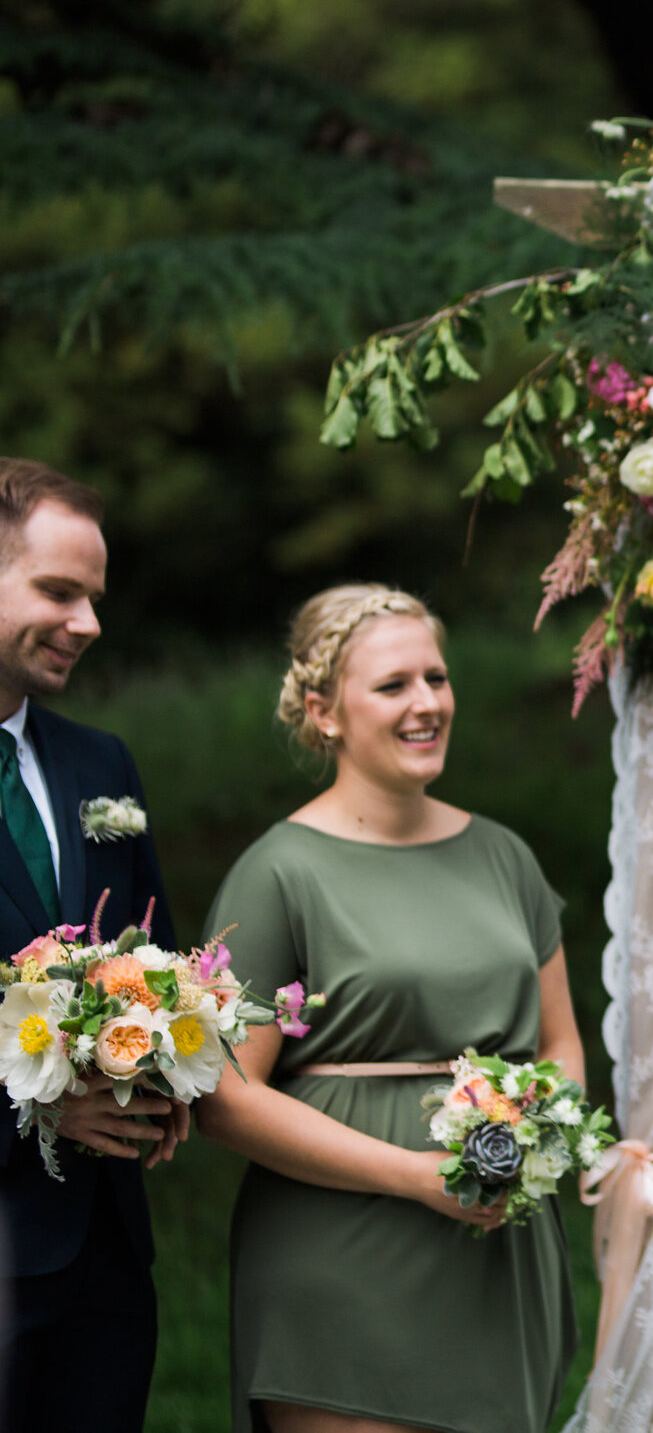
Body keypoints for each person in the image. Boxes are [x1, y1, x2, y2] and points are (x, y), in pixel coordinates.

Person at [196, 584, 584, 1433]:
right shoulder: (276, 874)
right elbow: (225, 1095)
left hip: (498, 1250)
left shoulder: (504, 856)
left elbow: (559, 1041)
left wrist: (531, 1132)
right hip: (343, 1260)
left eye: (436, 678)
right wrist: (419, 1174)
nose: (426, 703)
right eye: (394, 685)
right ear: (322, 710)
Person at [0, 457, 187, 1433]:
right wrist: (40, 1105)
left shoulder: (99, 762)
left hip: (105, 1258)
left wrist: (168, 1066)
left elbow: (154, 945)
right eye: (58, 591)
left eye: (95, 597)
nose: (88, 622)